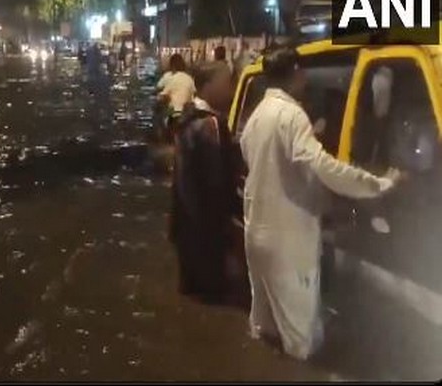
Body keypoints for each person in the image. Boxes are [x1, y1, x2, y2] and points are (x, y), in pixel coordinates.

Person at [240, 46, 401, 360]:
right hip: (288, 239)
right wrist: (379, 184)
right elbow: (322, 166)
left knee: (266, 327)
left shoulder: (257, 115)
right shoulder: (290, 114)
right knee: (302, 343)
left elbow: (266, 162)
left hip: (257, 232)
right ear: (297, 73)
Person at [170, 61, 241, 303]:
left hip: (187, 225)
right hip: (205, 228)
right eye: (226, 82)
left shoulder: (189, 117)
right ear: (209, 86)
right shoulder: (209, 124)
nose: (231, 89)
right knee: (214, 295)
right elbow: (216, 181)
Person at [156, 54, 196, 141]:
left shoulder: (172, 78)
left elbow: (162, 96)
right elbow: (193, 95)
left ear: (172, 66)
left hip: (174, 113)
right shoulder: (189, 78)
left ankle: (164, 138)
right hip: (187, 114)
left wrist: (159, 98)